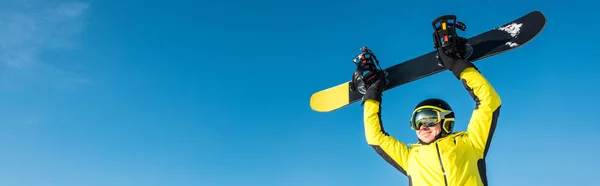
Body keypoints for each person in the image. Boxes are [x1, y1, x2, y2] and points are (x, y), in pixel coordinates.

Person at [360, 44, 502, 186]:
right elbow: (375, 137)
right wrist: (372, 95)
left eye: (429, 119)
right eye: (417, 121)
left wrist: (459, 66)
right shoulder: (410, 158)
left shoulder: (471, 143)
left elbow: (489, 102)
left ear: (446, 121)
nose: (422, 126)